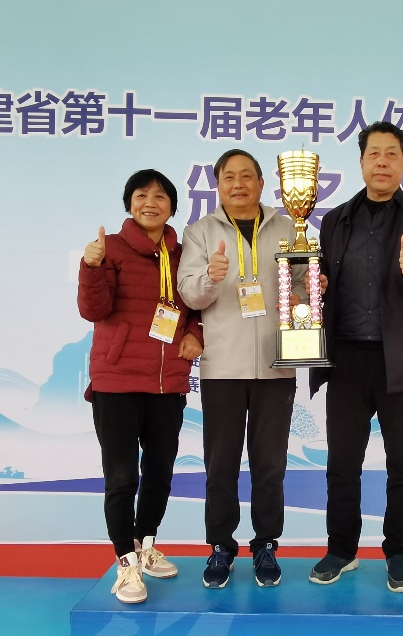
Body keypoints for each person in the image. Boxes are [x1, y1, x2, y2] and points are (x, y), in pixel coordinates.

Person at [307, 122, 403, 592]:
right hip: (347, 358)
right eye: (374, 153)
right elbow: (323, 280)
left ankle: (399, 552)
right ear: (361, 162)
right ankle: (341, 549)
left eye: (391, 154)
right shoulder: (335, 219)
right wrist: (317, 286)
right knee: (342, 462)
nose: (382, 161)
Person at [178, 149, 304, 589]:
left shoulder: (289, 228)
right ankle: (221, 546)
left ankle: (266, 543)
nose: (238, 184)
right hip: (222, 367)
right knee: (221, 465)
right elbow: (190, 295)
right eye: (228, 176)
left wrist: (310, 289)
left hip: (276, 364)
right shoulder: (199, 232)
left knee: (270, 464)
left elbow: (303, 286)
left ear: (261, 183)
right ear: (217, 185)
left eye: (246, 176)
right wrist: (211, 276)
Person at [78, 169, 203, 604]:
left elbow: (196, 307)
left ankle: (145, 545)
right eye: (141, 195)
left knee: (160, 472)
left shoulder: (183, 254)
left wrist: (196, 335)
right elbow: (94, 309)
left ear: (172, 206)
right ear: (129, 203)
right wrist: (91, 266)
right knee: (122, 476)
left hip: (167, 382)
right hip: (116, 381)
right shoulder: (110, 248)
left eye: (160, 196)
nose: (150, 202)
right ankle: (125, 563)